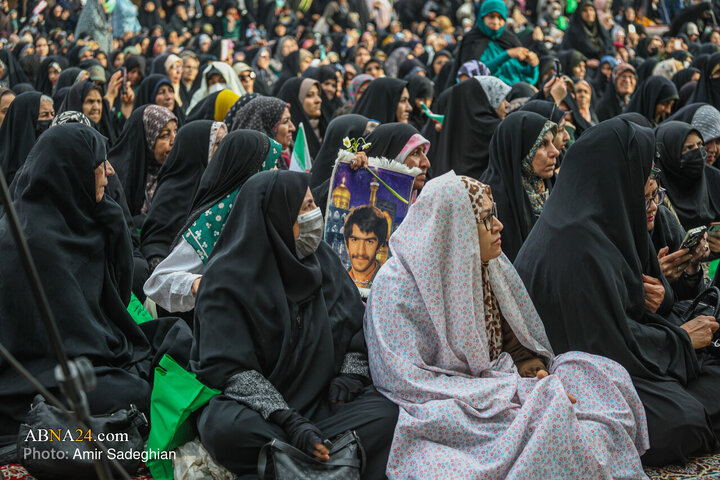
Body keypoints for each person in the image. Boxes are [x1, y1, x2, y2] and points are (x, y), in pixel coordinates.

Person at [365, 170, 649, 478]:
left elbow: (518, 340)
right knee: (540, 429)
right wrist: (516, 393)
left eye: (495, 214)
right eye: (487, 219)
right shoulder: (397, 287)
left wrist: (533, 370)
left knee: (602, 378)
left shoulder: (489, 264)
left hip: (499, 384)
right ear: (454, 228)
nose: (499, 226)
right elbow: (406, 381)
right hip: (449, 404)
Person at [515, 117, 720, 466]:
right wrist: (682, 339)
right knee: (682, 419)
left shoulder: (592, 222)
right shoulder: (577, 247)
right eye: (644, 190)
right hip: (583, 371)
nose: (652, 200)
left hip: (617, 351)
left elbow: (634, 309)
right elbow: (607, 348)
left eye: (655, 192)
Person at [191, 171, 398, 478]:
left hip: (321, 401)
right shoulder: (226, 281)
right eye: (303, 209)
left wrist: (350, 375)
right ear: (276, 216)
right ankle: (323, 460)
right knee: (223, 428)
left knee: (386, 414)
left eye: (313, 203)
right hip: (263, 412)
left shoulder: (321, 260)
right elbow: (229, 369)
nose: (314, 215)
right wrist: (288, 419)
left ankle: (295, 462)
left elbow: (355, 324)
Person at [0, 124, 191, 455]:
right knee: (135, 392)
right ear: (71, 170)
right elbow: (71, 335)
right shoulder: (35, 239)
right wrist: (119, 356)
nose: (110, 171)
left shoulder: (74, 217)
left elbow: (113, 298)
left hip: (88, 345)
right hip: (40, 370)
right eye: (100, 163)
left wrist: (115, 221)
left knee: (172, 335)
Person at [144, 129, 280, 314]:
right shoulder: (213, 224)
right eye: (271, 166)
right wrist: (196, 283)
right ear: (251, 173)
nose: (277, 173)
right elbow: (158, 283)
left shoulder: (276, 215)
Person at [141, 120, 225, 267]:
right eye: (217, 143)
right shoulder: (172, 191)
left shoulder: (218, 185)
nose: (224, 149)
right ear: (198, 149)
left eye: (225, 142)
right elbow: (156, 245)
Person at [481, 111, 559, 261]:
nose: (554, 152)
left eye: (552, 142)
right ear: (519, 149)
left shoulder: (553, 186)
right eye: (542, 144)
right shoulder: (492, 198)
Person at [109, 104, 177, 223]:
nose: (174, 141)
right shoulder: (115, 175)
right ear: (147, 138)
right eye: (165, 135)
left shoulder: (172, 173)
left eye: (175, 131)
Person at [433, 76, 508, 179]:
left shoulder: (450, 127)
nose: (507, 104)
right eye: (501, 98)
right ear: (484, 99)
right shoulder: (500, 131)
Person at [454, 0, 539, 86]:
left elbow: (524, 77)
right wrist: (507, 54)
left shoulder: (510, 40)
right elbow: (472, 75)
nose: (496, 22)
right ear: (482, 17)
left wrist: (533, 66)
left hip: (517, 93)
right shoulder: (472, 41)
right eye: (491, 17)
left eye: (500, 18)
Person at [655, 120, 720, 231]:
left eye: (700, 145)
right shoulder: (655, 191)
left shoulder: (714, 178)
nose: (699, 152)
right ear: (670, 153)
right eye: (689, 148)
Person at [0, 91, 53, 185]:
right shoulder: (6, 168)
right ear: (25, 120)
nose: (50, 119)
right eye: (44, 115)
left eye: (52, 114)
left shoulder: (51, 155)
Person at [365, 122, 431, 193]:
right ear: (390, 158)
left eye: (424, 152)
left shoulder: (425, 198)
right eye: (415, 153)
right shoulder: (359, 202)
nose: (427, 164)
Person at [232, 96, 295, 167]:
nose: (293, 128)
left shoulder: (293, 152)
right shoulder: (258, 167)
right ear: (267, 128)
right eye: (285, 121)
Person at [278, 77, 327, 160]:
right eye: (310, 95)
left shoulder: (324, 128)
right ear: (295, 100)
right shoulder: (287, 136)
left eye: (318, 95)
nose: (319, 100)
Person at [344, 205, 388, 289]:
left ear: (380, 246)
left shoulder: (387, 285)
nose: (361, 252)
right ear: (346, 243)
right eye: (355, 240)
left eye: (369, 242)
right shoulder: (337, 280)